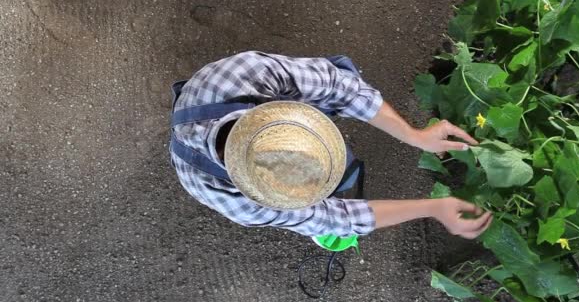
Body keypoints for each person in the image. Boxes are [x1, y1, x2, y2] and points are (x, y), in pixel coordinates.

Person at [170, 51, 493, 240]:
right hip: (200, 160)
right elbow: (338, 219)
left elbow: (341, 86)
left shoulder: (244, 74)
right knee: (338, 184)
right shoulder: (238, 202)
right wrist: (432, 207)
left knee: (334, 76)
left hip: (207, 99)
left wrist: (414, 135)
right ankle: (328, 179)